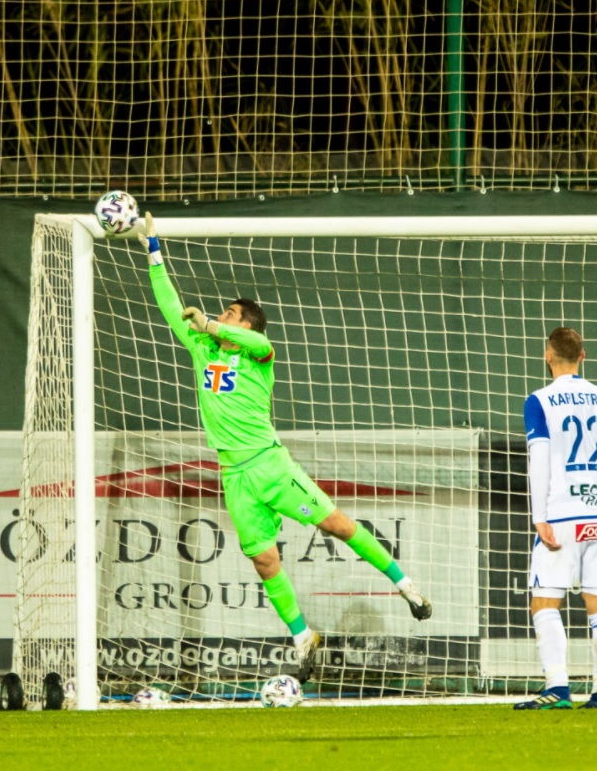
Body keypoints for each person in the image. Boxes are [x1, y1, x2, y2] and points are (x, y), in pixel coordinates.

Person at [138, 212, 431, 682]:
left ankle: (407, 586)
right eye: (224, 313)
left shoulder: (259, 354)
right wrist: (153, 249)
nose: (222, 316)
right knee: (263, 559)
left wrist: (215, 325)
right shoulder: (203, 349)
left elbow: (246, 338)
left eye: (232, 313)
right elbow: (171, 305)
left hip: (269, 463)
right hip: (234, 475)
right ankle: (302, 636)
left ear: (247, 325)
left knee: (336, 524)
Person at [517, 327, 597, 710]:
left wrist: (540, 517)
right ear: (583, 356)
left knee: (544, 603)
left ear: (548, 356)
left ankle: (556, 688)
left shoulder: (539, 400)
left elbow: (539, 460)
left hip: (562, 515)